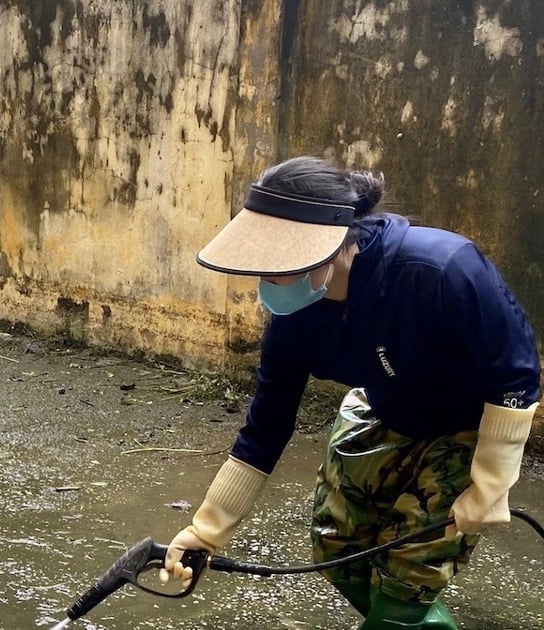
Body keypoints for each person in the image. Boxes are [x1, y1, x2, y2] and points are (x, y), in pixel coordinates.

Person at [158, 156, 540, 629]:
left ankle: (402, 613)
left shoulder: (440, 269)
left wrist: (491, 481)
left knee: (410, 570)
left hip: (465, 425)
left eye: (277, 268)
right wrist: (206, 530)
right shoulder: (295, 318)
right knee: (334, 544)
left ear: (331, 244)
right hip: (383, 405)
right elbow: (267, 424)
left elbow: (516, 373)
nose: (266, 284)